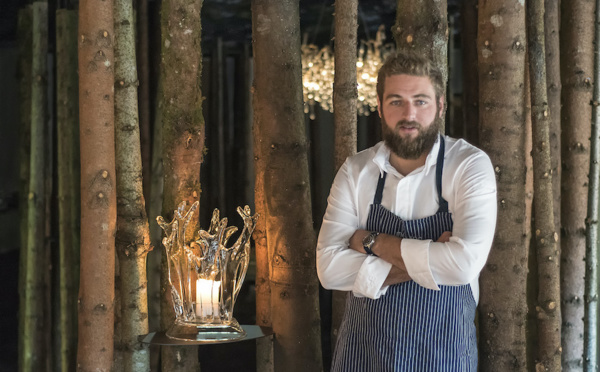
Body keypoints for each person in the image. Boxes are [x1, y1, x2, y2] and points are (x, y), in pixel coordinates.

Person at [316, 51, 497, 371]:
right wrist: (432, 258)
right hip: (365, 354)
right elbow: (329, 269)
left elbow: (463, 265)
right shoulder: (356, 171)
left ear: (440, 105)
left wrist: (372, 242)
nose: (408, 113)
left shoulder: (467, 166)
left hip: (444, 353)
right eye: (396, 100)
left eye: (421, 101)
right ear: (380, 104)